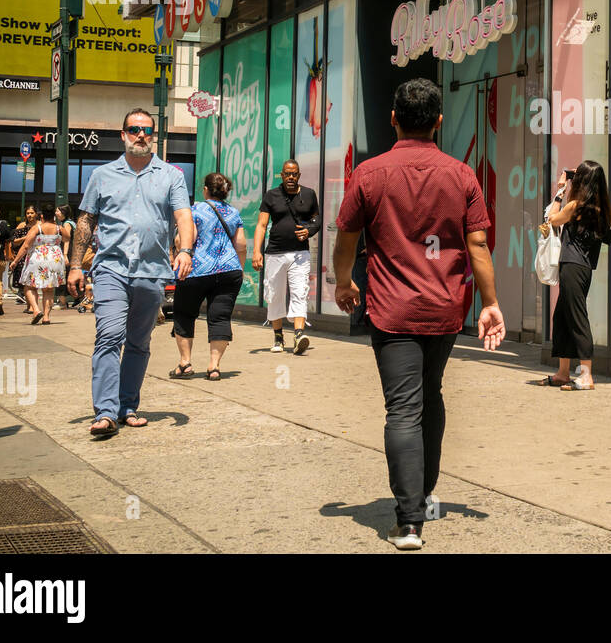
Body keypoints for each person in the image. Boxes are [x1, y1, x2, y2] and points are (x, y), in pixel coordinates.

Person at [333, 78, 505, 551]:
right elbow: (477, 245)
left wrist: (343, 282)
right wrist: (490, 303)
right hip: (445, 308)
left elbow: (346, 238)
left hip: (391, 311)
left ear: (393, 118)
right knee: (430, 395)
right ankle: (424, 493)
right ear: (439, 121)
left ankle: (409, 521)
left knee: (403, 408)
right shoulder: (461, 175)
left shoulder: (369, 174)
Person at [68, 109, 194, 438]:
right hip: (111, 268)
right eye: (134, 129)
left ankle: (127, 406)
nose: (141, 135)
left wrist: (185, 250)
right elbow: (85, 222)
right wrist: (75, 265)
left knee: (138, 342)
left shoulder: (171, 176)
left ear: (154, 136)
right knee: (109, 335)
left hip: (152, 272)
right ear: (122, 135)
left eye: (147, 130)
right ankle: (106, 412)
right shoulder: (102, 175)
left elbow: (183, 217)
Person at [535, 161, 611, 391]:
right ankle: (562, 372)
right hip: (583, 268)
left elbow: (552, 219)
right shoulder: (601, 210)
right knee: (562, 318)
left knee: (577, 318)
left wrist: (561, 190)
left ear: (582, 182)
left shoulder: (575, 206)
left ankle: (586, 375)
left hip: (572, 266)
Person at [170, 173, 246, 381]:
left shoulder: (194, 210)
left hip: (196, 270)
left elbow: (188, 238)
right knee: (220, 317)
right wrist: (238, 268)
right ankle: (214, 367)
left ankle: (185, 363)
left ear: (205, 190)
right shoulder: (233, 212)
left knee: (184, 314)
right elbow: (241, 245)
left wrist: (179, 248)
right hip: (229, 270)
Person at [254, 160, 321, 355]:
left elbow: (316, 220)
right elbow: (261, 225)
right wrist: (257, 251)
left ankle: (299, 334)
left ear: (299, 175)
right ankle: (278, 336)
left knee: (300, 291)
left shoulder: (309, 194)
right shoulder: (271, 196)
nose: (291, 177)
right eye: (287, 174)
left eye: (294, 174)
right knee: (274, 294)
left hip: (300, 253)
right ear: (281, 175)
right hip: (275, 252)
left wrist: (308, 231)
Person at [11, 211, 69, 325]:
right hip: (55, 259)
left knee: (29, 287)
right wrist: (64, 253)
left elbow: (26, 246)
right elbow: (67, 238)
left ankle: (36, 310)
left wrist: (15, 261)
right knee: (49, 289)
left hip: (38, 257)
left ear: (41, 216)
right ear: (53, 216)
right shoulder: (59, 228)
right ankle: (46, 317)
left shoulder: (37, 228)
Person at [9, 205, 41, 314]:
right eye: (28, 213)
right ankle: (29, 306)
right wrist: (26, 237)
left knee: (33, 283)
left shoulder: (40, 225)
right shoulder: (22, 225)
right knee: (26, 283)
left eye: (32, 213)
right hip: (23, 256)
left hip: (36, 256)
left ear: (36, 213)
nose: (30, 215)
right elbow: (14, 241)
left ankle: (32, 307)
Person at [54, 206, 77, 309]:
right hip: (71, 252)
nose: (56, 213)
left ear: (63, 213)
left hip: (68, 252)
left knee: (63, 276)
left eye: (58, 211)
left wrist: (65, 255)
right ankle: (76, 298)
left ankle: (62, 302)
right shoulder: (68, 223)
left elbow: (66, 240)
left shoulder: (67, 224)